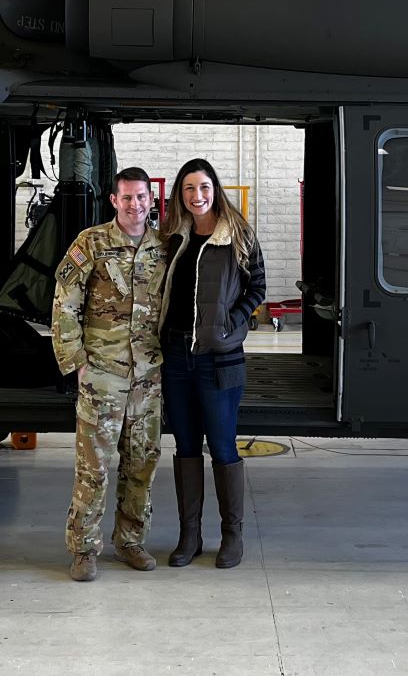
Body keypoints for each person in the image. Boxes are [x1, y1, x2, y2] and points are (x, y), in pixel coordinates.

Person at [51, 167, 172, 582]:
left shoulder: (164, 246)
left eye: (141, 197)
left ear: (151, 200)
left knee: (142, 463)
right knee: (94, 466)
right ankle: (83, 549)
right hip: (103, 373)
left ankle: (131, 542)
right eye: (127, 198)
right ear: (114, 200)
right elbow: (65, 301)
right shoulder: (92, 242)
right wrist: (76, 361)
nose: (135, 205)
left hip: (148, 375)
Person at [158, 158, 267, 569]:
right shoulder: (173, 237)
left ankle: (232, 536)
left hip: (220, 359)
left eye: (203, 187)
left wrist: (230, 323)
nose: (197, 195)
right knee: (185, 446)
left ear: (214, 189)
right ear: (180, 195)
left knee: (222, 446)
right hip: (176, 357)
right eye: (189, 188)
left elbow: (257, 287)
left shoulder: (237, 234)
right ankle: (190, 536)